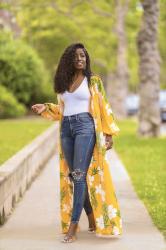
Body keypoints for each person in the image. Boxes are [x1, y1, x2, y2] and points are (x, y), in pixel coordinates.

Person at [31, 43, 122, 243]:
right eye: (76, 56)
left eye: (83, 56)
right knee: (74, 177)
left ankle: (72, 227)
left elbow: (103, 106)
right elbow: (63, 109)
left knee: (80, 175)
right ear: (69, 60)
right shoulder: (64, 82)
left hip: (85, 127)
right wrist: (45, 108)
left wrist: (109, 133)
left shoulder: (93, 81)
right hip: (66, 130)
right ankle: (90, 217)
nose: (81, 59)